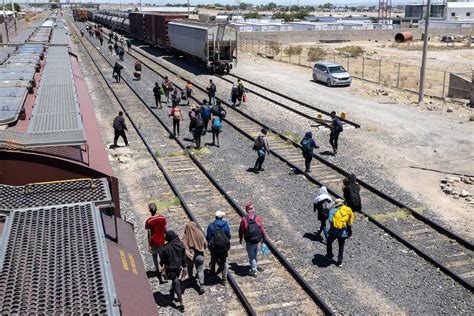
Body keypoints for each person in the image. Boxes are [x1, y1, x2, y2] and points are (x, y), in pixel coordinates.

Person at [161, 231, 186, 312]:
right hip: (178, 268)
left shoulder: (166, 248)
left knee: (176, 284)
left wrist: (162, 265)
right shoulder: (181, 245)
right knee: (175, 281)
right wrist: (184, 266)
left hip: (170, 270)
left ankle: (181, 304)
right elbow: (183, 257)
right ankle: (172, 291)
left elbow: (163, 260)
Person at [239, 204, 265, 277]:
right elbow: (261, 229)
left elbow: (241, 230)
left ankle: (254, 270)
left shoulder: (244, 219)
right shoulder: (257, 218)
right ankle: (254, 265)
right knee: (254, 252)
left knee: (251, 256)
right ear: (253, 209)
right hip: (257, 239)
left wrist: (240, 238)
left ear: (246, 210)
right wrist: (264, 238)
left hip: (249, 240)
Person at [326, 199, 354, 267]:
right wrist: (349, 232)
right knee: (341, 246)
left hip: (333, 231)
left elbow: (330, 220)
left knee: (329, 242)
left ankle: (330, 256)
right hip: (343, 232)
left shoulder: (333, 211)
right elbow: (349, 222)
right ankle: (339, 262)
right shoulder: (346, 211)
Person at [182, 221, 207, 295]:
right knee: (200, 270)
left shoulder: (185, 236)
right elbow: (205, 244)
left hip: (190, 256)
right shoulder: (200, 233)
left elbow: (183, 248)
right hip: (199, 255)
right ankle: (201, 286)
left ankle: (190, 279)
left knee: (190, 267)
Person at [206, 211, 230, 285]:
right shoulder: (226, 225)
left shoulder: (211, 226)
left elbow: (208, 237)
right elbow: (229, 236)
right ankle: (224, 279)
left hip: (214, 248)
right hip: (223, 247)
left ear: (215, 217)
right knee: (223, 262)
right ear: (222, 217)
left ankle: (212, 272)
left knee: (213, 259)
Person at [145, 203, 167, 283]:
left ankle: (157, 271)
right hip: (161, 241)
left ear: (149, 210)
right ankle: (163, 272)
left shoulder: (148, 221)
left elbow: (149, 234)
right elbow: (165, 228)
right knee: (162, 258)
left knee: (155, 257)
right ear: (156, 209)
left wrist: (149, 245)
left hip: (154, 243)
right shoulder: (162, 218)